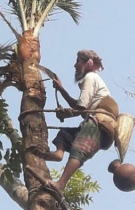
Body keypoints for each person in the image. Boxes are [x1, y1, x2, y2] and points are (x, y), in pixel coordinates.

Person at [44, 50, 119, 197]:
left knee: (79, 149)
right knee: (64, 134)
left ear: (87, 63)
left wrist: (66, 113)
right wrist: (61, 90)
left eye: (78, 61)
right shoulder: (92, 79)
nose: (75, 65)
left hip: (99, 123)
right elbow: (79, 106)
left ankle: (60, 185)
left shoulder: (90, 78)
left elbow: (80, 108)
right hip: (97, 123)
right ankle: (59, 153)